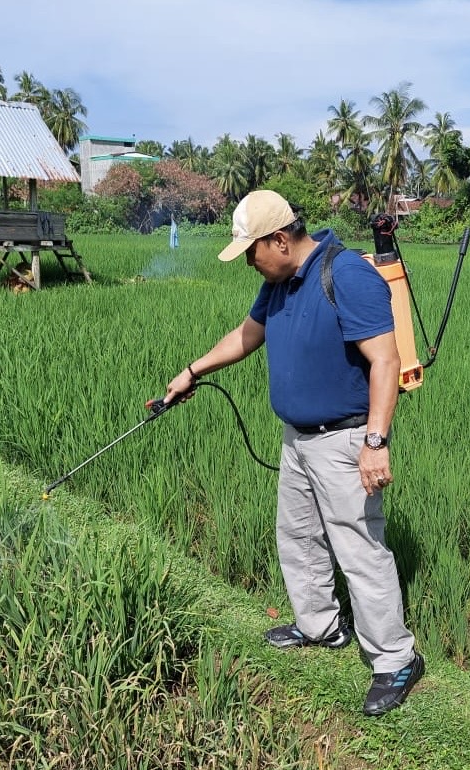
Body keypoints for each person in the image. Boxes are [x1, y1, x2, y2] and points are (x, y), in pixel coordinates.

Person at [164, 189, 423, 716]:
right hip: (298, 439)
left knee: (358, 546)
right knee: (299, 534)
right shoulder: (277, 283)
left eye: (251, 251)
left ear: (279, 240)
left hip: (345, 439)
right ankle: (320, 626)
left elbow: (384, 360)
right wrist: (192, 372)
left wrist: (375, 443)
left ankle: (396, 657)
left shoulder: (347, 275)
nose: (249, 263)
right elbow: (246, 336)